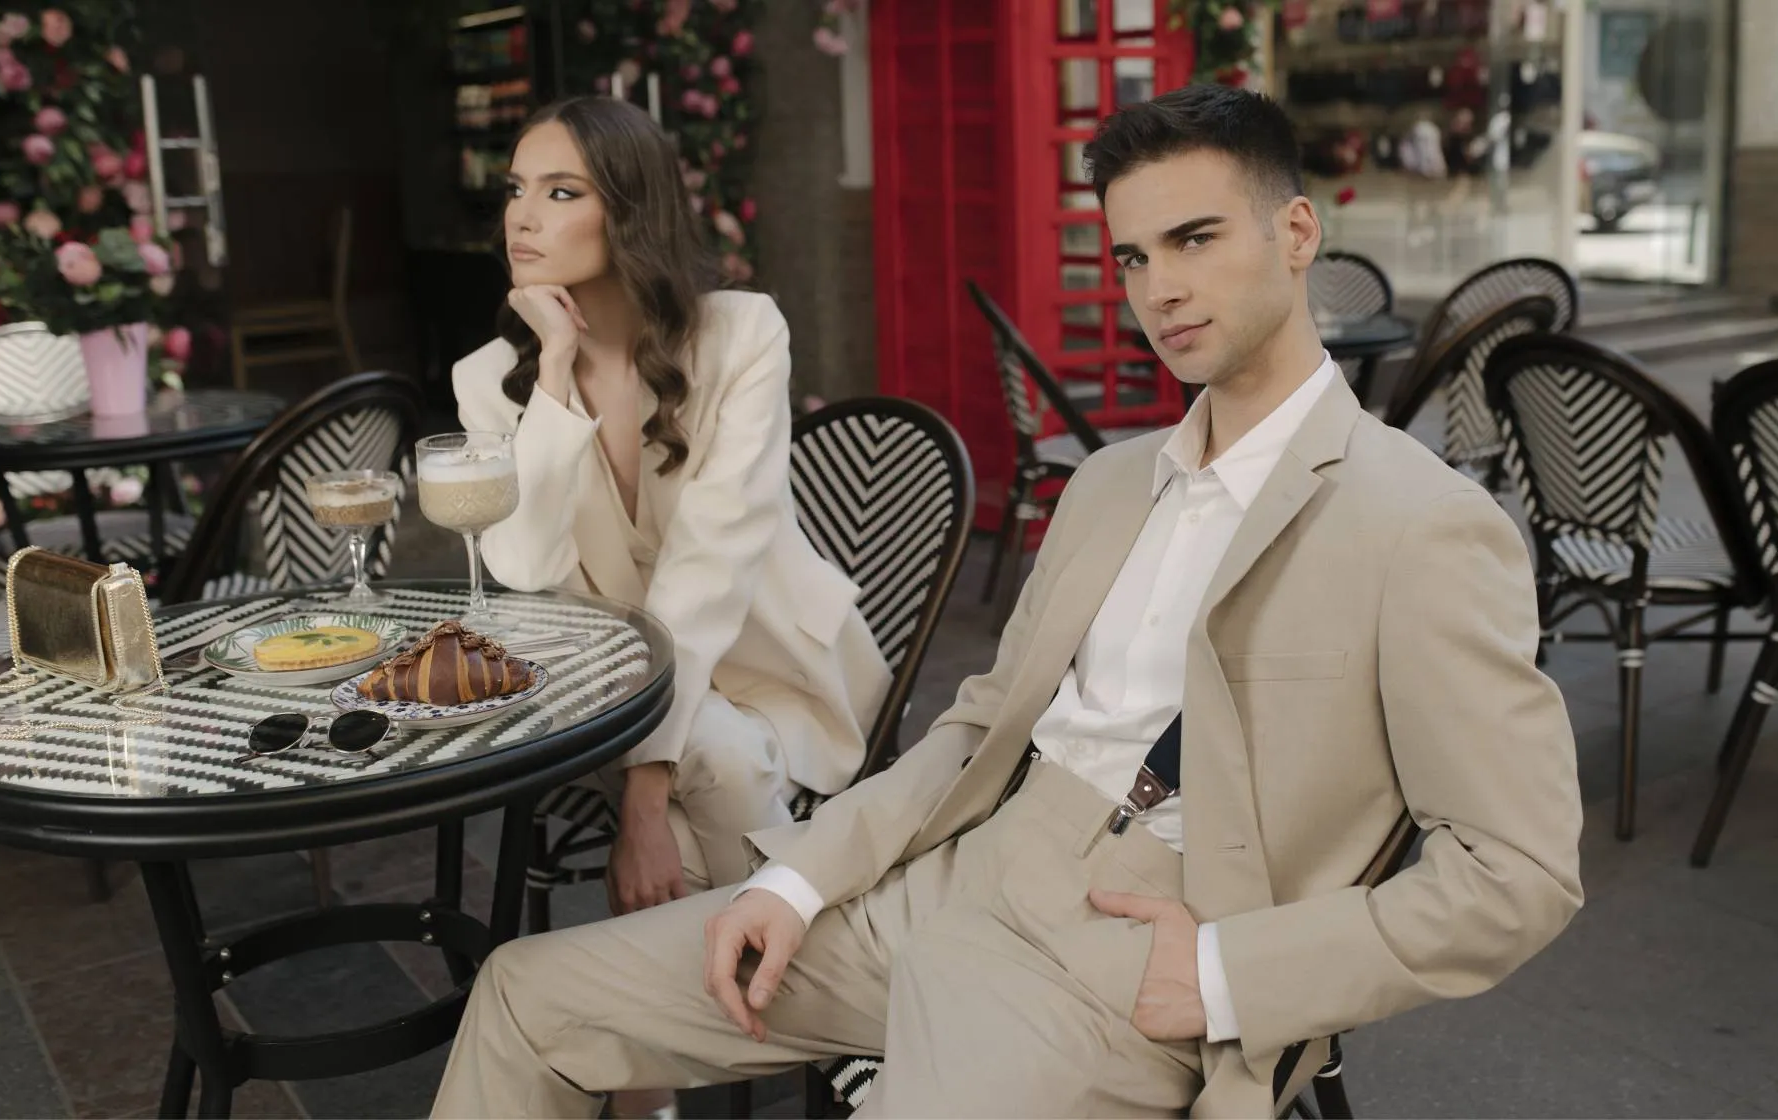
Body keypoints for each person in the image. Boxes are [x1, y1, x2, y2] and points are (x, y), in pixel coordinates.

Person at [433, 85, 1584, 1119]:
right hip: (956, 870)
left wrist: (1228, 973)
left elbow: (1517, 874)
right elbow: (980, 723)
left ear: (1296, 233)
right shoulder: (1108, 484)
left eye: (1195, 239)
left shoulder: (1420, 521)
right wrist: (798, 874)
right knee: (526, 996)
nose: (1161, 289)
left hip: (1127, 942)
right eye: (1131, 257)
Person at [453, 96, 892, 914]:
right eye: (515, 189)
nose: (522, 216)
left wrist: (644, 807)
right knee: (721, 759)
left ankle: (730, 971)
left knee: (695, 816)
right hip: (603, 691)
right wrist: (554, 372)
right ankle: (805, 965)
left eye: (560, 192)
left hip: (767, 668)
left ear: (631, 211)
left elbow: (709, 566)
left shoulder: (743, 336)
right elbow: (523, 565)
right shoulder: (485, 379)